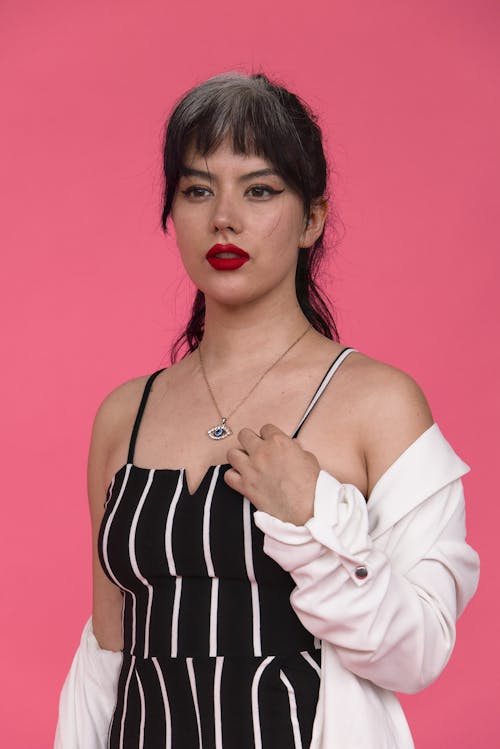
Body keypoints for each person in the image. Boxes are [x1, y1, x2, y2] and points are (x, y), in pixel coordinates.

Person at [54, 71, 480, 749]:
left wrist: (315, 514)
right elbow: (107, 659)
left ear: (311, 217)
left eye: (260, 190)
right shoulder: (123, 416)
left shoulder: (380, 404)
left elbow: (419, 651)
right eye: (198, 189)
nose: (224, 217)